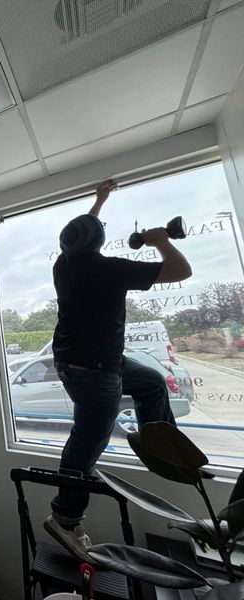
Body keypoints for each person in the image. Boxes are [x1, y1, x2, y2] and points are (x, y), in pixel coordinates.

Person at [43, 178, 192, 563]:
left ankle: (163, 449)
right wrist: (160, 239)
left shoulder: (64, 263)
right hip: (92, 369)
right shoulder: (107, 269)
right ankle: (64, 517)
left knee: (153, 382)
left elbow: (82, 233)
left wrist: (99, 200)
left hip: (95, 360)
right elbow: (181, 272)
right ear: (95, 243)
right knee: (88, 441)